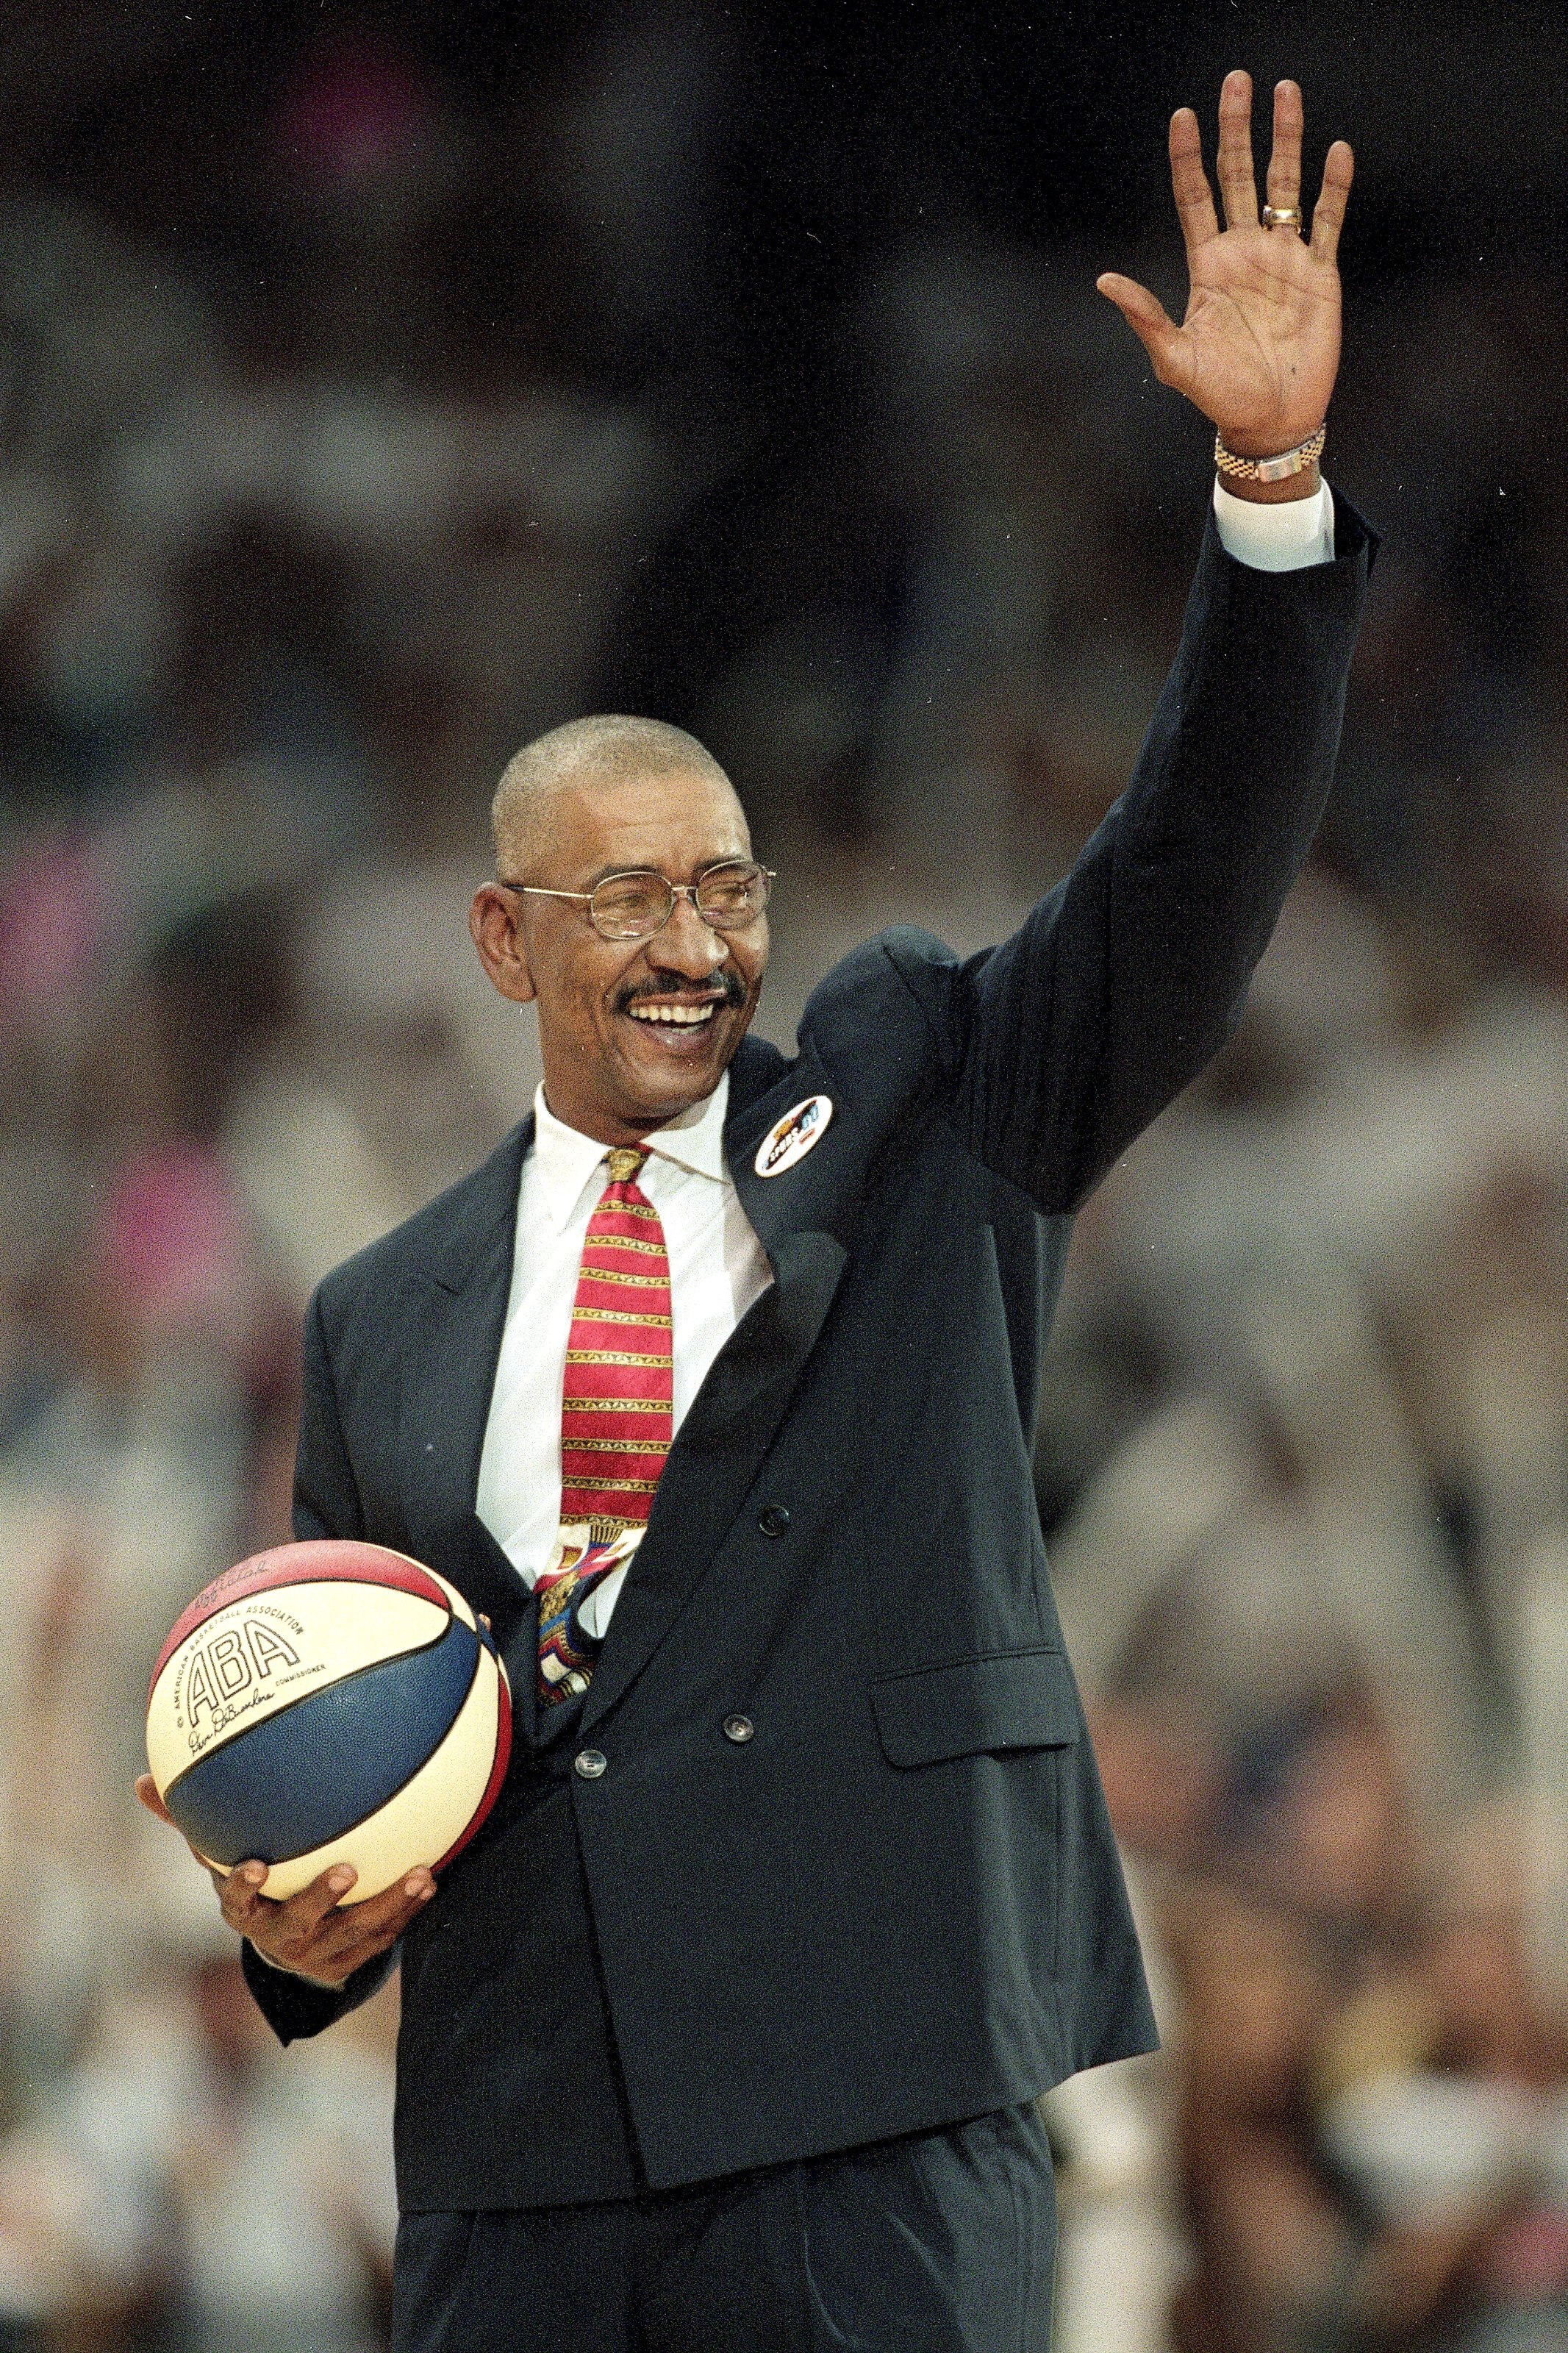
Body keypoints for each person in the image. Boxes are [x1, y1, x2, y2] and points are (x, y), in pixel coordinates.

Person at [138, 71, 1370, 2353]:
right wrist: (288, 1929)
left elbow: (1183, 890)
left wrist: (1269, 495)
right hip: (519, 2152)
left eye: (730, 884)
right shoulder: (380, 1315)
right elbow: (373, 1727)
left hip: (874, 2113)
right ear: (509, 943)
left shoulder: (919, 1106)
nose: (698, 936)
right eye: (629, 896)